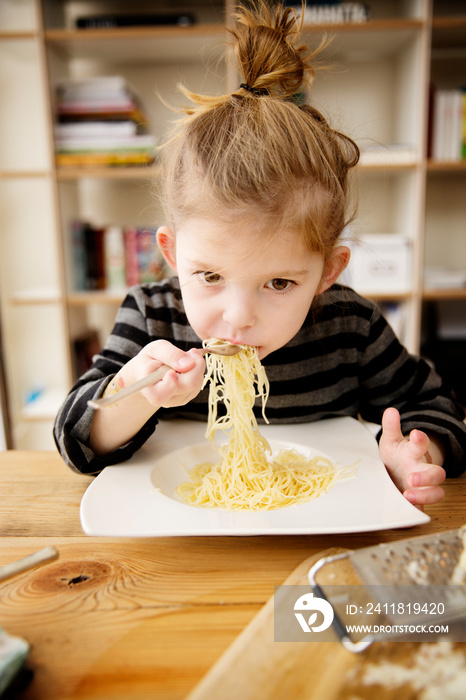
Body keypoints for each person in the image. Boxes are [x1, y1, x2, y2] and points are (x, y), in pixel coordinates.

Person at [54, 0, 466, 507]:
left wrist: (420, 453)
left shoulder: (350, 328)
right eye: (209, 275)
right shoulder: (152, 318)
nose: (239, 318)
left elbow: (436, 405)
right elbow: (73, 440)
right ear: (172, 252)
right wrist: (137, 393)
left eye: (279, 283)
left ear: (326, 272)